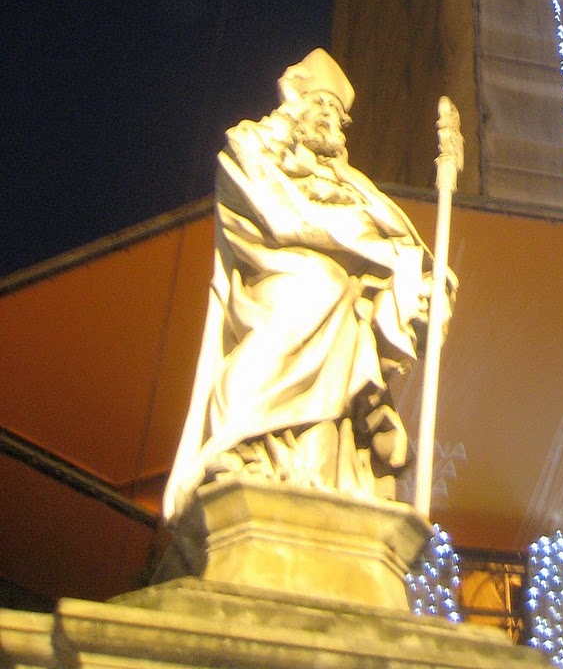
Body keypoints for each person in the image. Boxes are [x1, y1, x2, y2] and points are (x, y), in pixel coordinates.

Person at [163, 50, 449, 522]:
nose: (330, 120)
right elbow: (283, 216)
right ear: (297, 101)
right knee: (321, 286)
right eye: (322, 105)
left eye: (338, 114)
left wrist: (421, 272)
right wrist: (378, 250)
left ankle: (313, 459)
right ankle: (243, 440)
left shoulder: (351, 182)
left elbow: (397, 236)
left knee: (337, 293)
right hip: (270, 279)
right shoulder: (251, 146)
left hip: (341, 298)